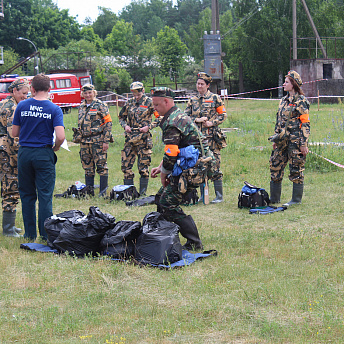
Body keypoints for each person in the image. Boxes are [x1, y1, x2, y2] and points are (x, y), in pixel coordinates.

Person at [150, 87, 215, 250]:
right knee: (161, 197)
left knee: (167, 203)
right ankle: (163, 235)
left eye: (156, 105)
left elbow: (172, 154)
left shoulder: (172, 121)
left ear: (166, 101)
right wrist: (161, 167)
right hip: (188, 164)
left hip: (194, 168)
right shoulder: (175, 115)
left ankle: (194, 242)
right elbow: (175, 148)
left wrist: (164, 174)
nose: (154, 109)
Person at [12, 74, 65, 240]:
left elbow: (15, 133)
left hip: (25, 152)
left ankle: (29, 234)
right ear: (50, 89)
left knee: (27, 195)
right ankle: (45, 234)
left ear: (32, 89)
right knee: (45, 195)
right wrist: (55, 147)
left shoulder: (22, 105)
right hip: (43, 153)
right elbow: (61, 136)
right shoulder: (54, 109)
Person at [269, 70, 310, 206]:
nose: (283, 84)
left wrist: (303, 143)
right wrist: (275, 139)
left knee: (296, 168)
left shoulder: (301, 101)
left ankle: (296, 200)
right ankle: (274, 198)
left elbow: (305, 123)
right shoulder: (283, 101)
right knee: (275, 165)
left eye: (286, 82)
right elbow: (278, 120)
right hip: (282, 141)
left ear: (293, 84)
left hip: (295, 141)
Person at [185, 72, 227, 203]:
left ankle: (219, 196)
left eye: (202, 84)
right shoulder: (192, 100)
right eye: (198, 84)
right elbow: (185, 118)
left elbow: (223, 115)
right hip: (197, 139)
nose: (199, 86)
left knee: (215, 166)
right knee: (200, 167)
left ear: (208, 85)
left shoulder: (215, 98)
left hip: (212, 139)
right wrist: (197, 119)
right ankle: (203, 195)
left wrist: (211, 122)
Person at [0, 78, 30, 237]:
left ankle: (10, 225)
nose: (26, 96)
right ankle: (8, 229)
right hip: (8, 154)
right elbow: (14, 137)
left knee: (9, 187)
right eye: (23, 93)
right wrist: (21, 159)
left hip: (4, 150)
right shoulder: (11, 108)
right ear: (14, 91)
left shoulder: (5, 104)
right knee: (11, 188)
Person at [118, 81, 157, 195]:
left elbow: (160, 117)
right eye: (134, 93)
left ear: (143, 91)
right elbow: (121, 117)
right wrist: (125, 126)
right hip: (130, 139)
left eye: (138, 93)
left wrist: (149, 127)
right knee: (126, 166)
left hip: (143, 139)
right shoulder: (129, 103)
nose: (136, 95)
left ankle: (142, 194)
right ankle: (128, 193)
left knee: (143, 167)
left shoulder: (150, 102)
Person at [76, 84, 112, 196]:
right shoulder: (81, 106)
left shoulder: (101, 105)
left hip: (98, 140)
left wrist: (106, 140)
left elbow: (108, 123)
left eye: (90, 93)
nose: (88, 95)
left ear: (94, 93)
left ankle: (102, 192)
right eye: (85, 93)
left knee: (101, 165)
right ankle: (89, 191)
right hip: (84, 141)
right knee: (87, 166)